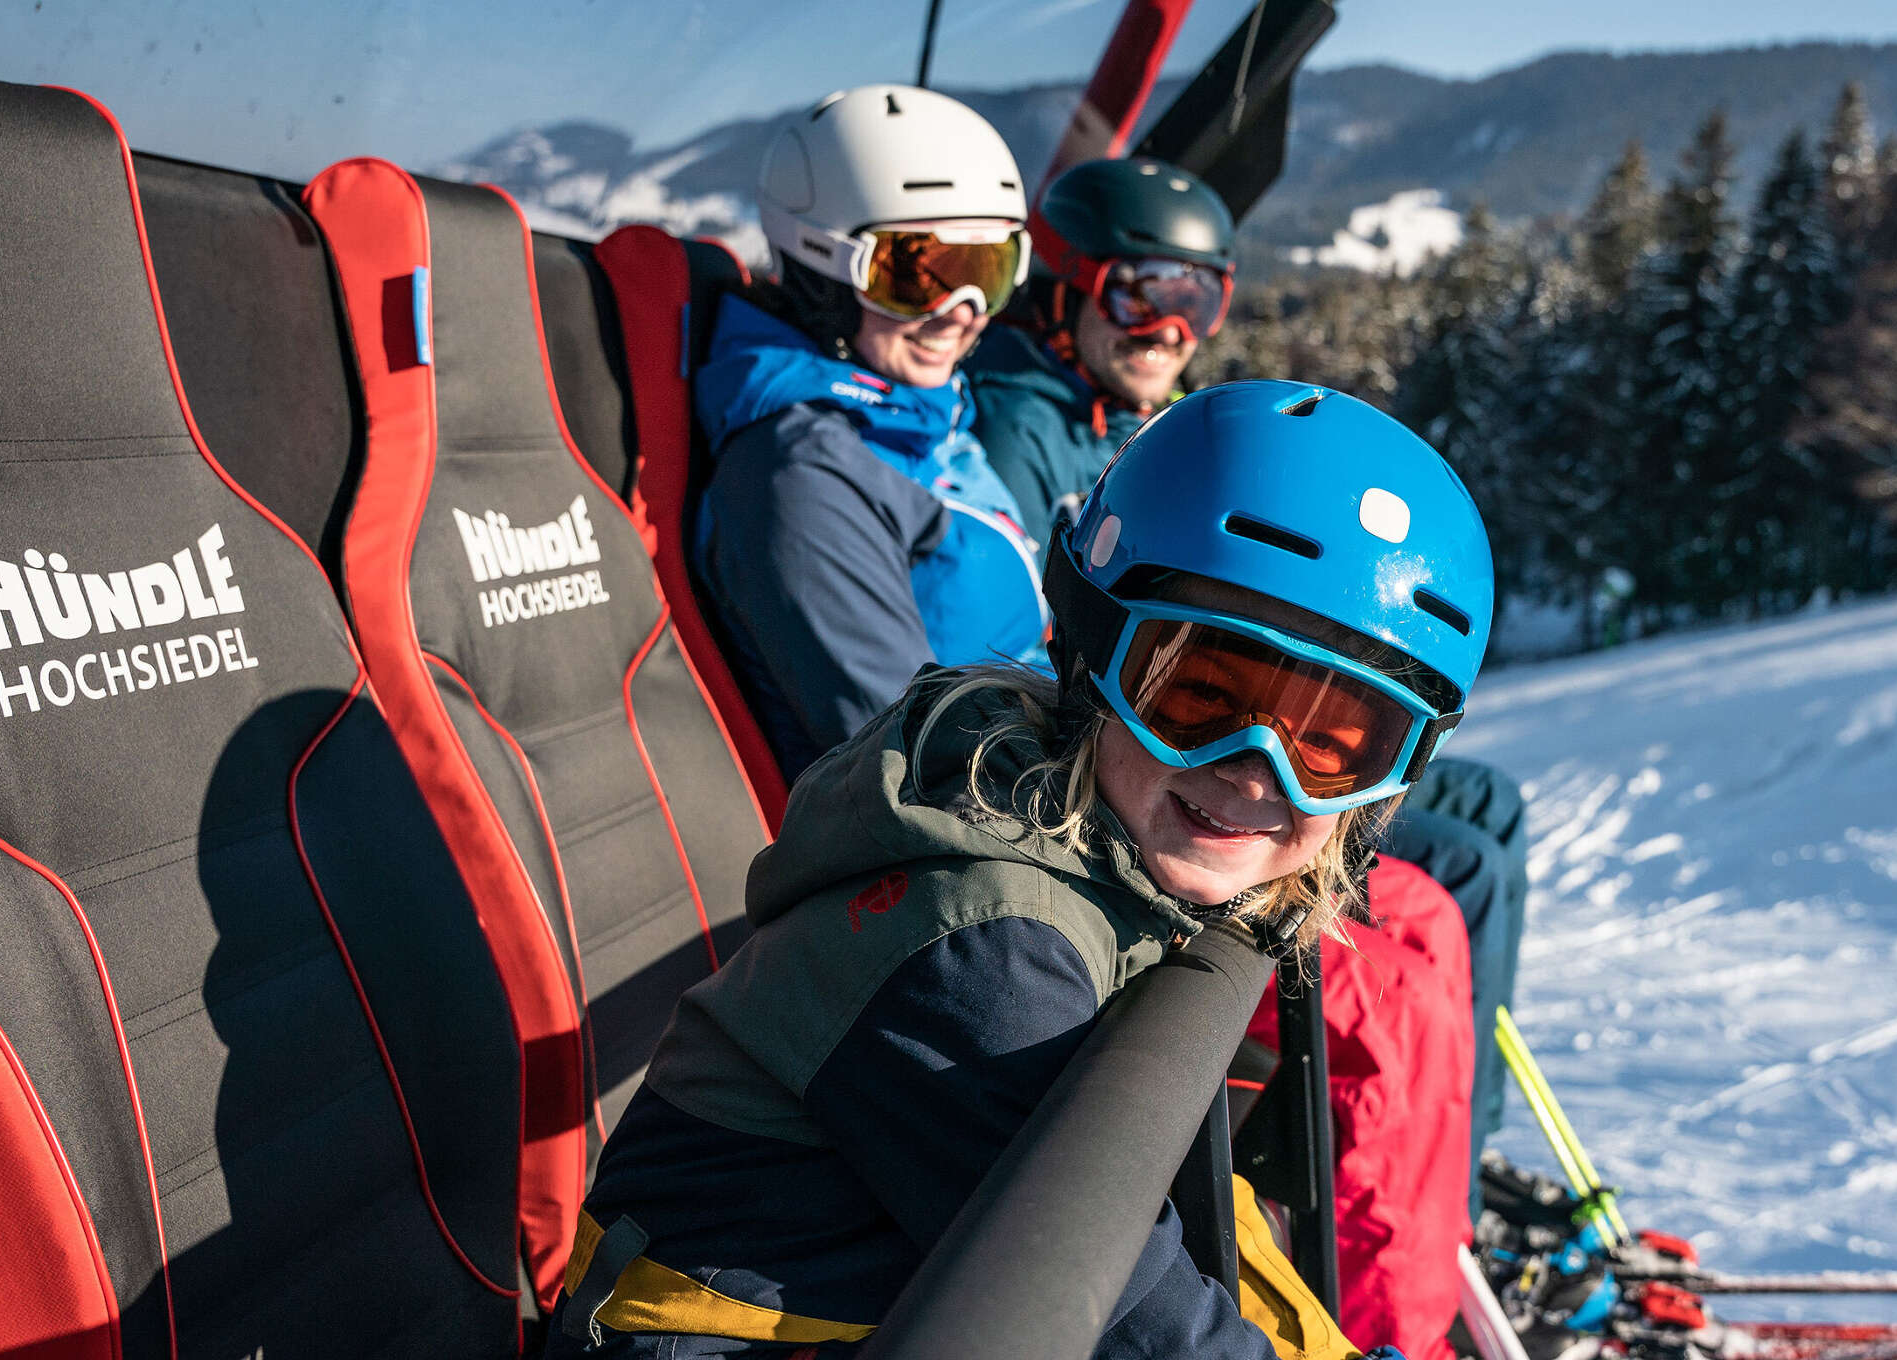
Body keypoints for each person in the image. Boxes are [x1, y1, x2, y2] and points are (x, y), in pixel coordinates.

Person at [551, 380, 1493, 1358]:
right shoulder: (979, 953)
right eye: (1199, 693)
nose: (1253, 773)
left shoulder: (1108, 857)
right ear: (1090, 653)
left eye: (1335, 743)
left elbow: (1172, 1201)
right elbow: (1128, 1303)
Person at [963, 155, 1533, 1193]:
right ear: (1068, 286)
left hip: (1186, 708)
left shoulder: (1159, 412)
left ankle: (1455, 1148)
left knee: (1486, 805)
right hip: (1141, 727)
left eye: (1198, 297)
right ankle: (1433, 1153)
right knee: (1455, 881)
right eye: (1144, 292)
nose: (1171, 327)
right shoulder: (1033, 428)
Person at [690, 84, 1048, 780]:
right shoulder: (802, 476)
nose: (962, 313)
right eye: (916, 275)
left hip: (1037, 758)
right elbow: (912, 762)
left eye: (987, 271)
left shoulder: (916, 410)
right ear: (821, 265)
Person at [968, 155, 1236, 537]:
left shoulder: (1174, 424)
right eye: (1136, 300)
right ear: (1064, 297)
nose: (1169, 332)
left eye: (1195, 306)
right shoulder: (1014, 434)